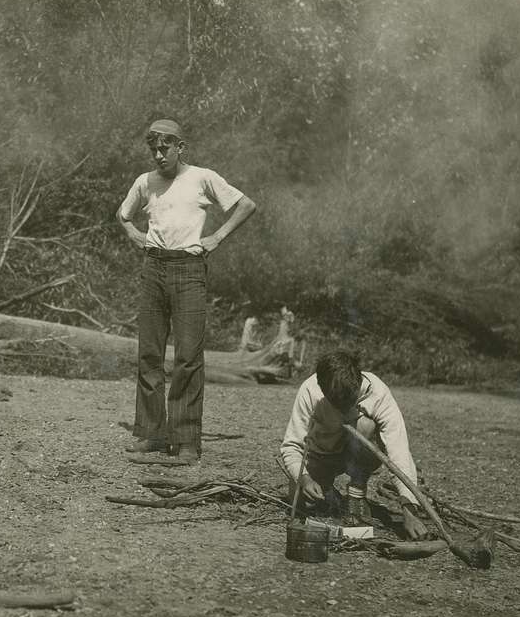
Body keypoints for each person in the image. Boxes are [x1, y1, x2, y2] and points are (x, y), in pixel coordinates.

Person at [117, 118, 257, 464]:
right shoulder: (144, 182)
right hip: (153, 269)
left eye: (166, 148)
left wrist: (217, 237)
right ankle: (151, 434)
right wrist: (136, 235)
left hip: (189, 270)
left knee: (188, 357)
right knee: (149, 354)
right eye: (154, 149)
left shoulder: (201, 177)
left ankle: (186, 442)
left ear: (181, 148)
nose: (159, 155)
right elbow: (123, 215)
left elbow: (245, 205)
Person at [279, 350, 430, 540]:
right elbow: (291, 445)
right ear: (322, 389)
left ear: (358, 383)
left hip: (357, 454)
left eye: (348, 402)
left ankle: (356, 492)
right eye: (337, 404)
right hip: (321, 454)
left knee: (365, 426)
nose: (343, 410)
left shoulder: (378, 393)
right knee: (304, 504)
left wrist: (409, 509)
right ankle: (327, 491)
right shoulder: (310, 390)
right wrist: (304, 478)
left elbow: (399, 453)